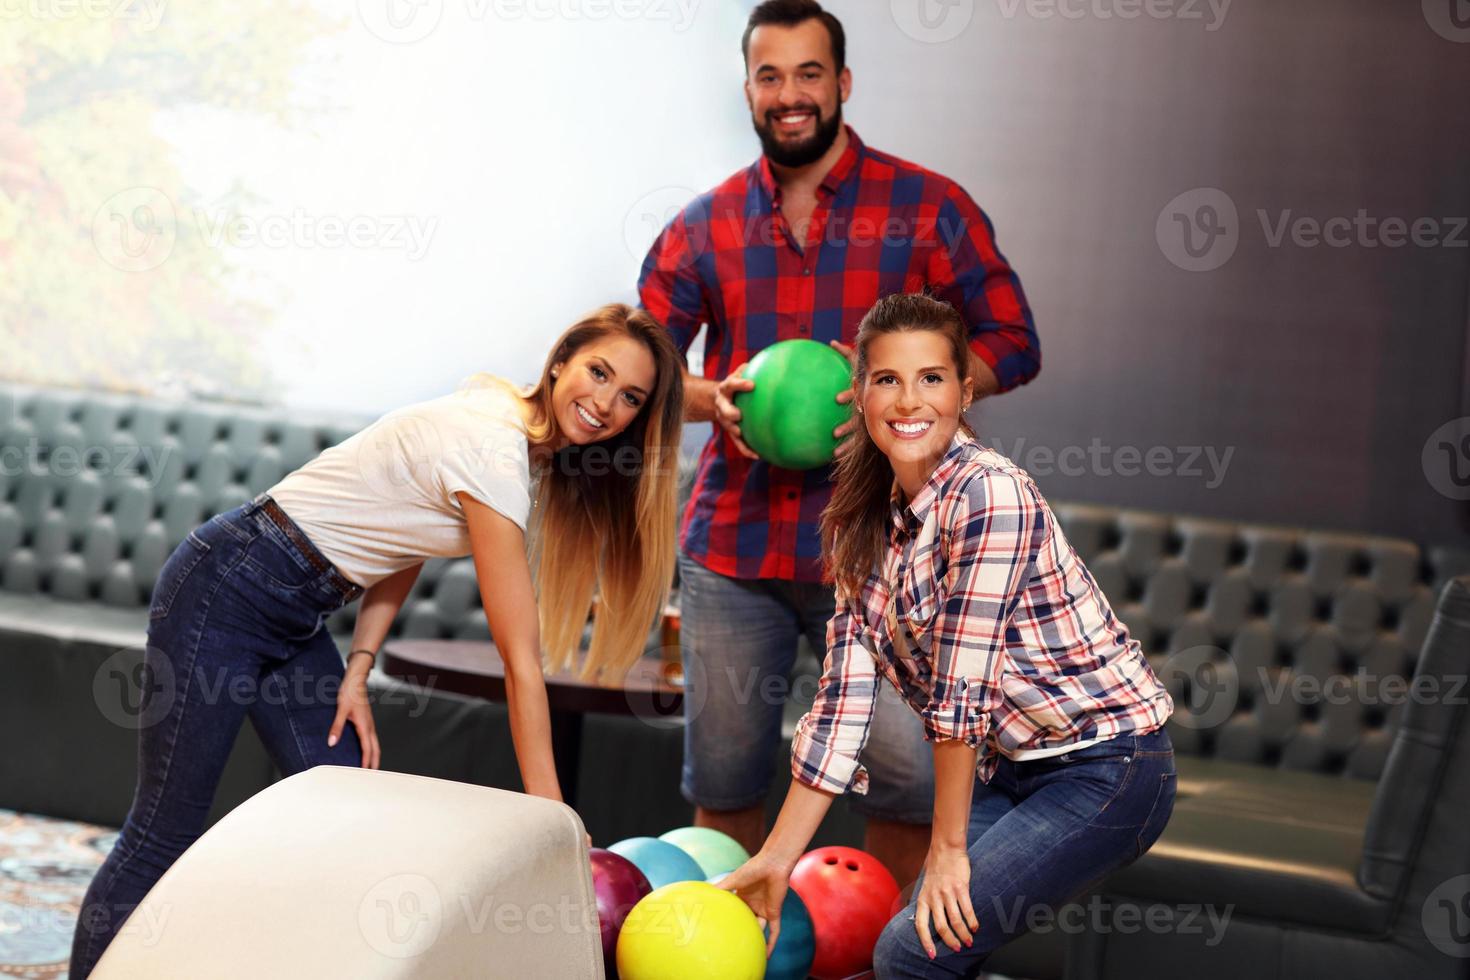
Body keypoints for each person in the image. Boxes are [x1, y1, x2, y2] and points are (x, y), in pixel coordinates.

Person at [70, 303, 684, 978]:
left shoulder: (509, 427)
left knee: (342, 817)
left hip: (295, 609)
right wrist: (556, 821)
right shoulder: (495, 448)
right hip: (226, 586)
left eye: (630, 397)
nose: (605, 403)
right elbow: (520, 659)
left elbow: (408, 533)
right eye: (597, 372)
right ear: (561, 359)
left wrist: (358, 668)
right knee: (166, 826)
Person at [638, 0, 1040, 885]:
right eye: (770, 76)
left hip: (892, 548)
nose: (790, 95)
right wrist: (718, 399)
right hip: (734, 550)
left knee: (902, 781)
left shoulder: (929, 208)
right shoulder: (703, 226)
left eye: (809, 74)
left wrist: (900, 395)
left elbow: (1014, 340)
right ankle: (731, 951)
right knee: (727, 776)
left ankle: (882, 962)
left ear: (843, 83)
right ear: (747, 89)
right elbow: (641, 375)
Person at [720, 293, 1175, 978]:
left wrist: (949, 847)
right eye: (887, 380)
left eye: (930, 379)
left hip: (1108, 768)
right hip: (1015, 767)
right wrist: (777, 858)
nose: (909, 402)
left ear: (963, 393)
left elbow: (963, 692)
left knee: (912, 949)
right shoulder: (858, 521)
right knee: (919, 934)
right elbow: (842, 704)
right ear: (858, 395)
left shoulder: (990, 495)